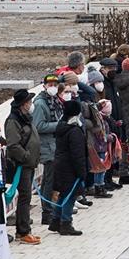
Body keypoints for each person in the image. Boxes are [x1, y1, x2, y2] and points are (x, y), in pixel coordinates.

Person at [4, 89, 42, 244]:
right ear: (23, 104)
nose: (31, 104)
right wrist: (26, 157)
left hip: (29, 164)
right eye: (28, 102)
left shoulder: (25, 118)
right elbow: (13, 145)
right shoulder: (13, 120)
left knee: (26, 196)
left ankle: (24, 229)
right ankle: (23, 230)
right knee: (24, 196)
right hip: (21, 165)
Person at [49, 99, 87, 236]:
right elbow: (78, 154)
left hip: (60, 165)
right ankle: (66, 223)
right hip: (70, 168)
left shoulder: (62, 127)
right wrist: (82, 172)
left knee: (63, 194)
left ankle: (55, 220)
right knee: (70, 196)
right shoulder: (74, 131)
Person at [32, 73, 63, 226]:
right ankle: (47, 212)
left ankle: (50, 209)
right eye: (50, 84)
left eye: (55, 85)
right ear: (44, 85)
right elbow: (38, 126)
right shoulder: (40, 103)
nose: (53, 87)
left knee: (49, 180)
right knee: (48, 181)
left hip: (53, 145)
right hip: (47, 147)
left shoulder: (53, 100)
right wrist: (60, 125)